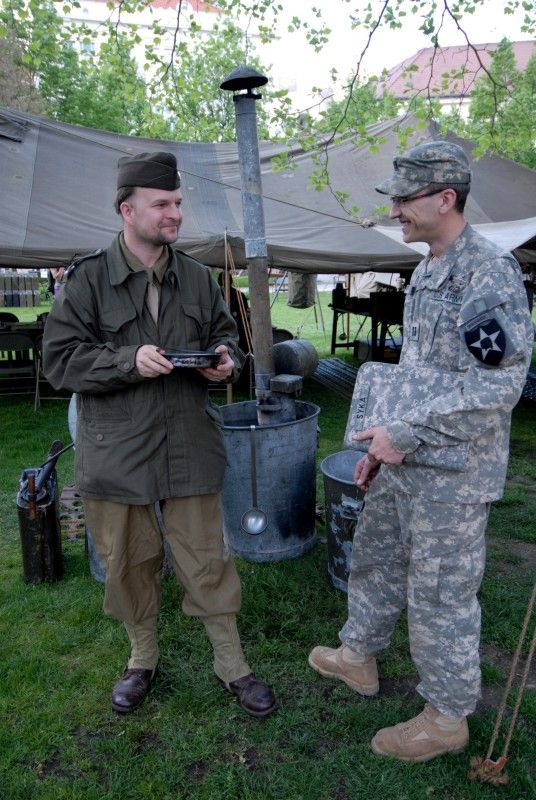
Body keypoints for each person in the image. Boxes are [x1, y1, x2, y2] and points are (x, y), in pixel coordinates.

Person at [309, 141, 533, 762]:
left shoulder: (488, 273)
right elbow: (419, 373)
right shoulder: (429, 268)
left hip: (454, 472)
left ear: (445, 197)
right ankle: (359, 655)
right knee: (375, 558)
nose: (396, 209)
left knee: (439, 593)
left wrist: (403, 435)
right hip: (405, 459)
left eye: (404, 198)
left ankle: (446, 715)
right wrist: (383, 444)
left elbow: (497, 386)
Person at [43, 151, 276, 718]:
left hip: (188, 443)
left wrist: (226, 362)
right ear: (128, 209)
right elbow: (59, 362)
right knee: (127, 561)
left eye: (177, 203)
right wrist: (127, 361)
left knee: (207, 559)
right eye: (162, 204)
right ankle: (141, 658)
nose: (175, 213)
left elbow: (227, 339)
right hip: (116, 452)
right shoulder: (89, 279)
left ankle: (232, 666)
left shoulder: (196, 276)